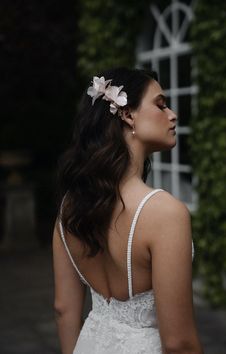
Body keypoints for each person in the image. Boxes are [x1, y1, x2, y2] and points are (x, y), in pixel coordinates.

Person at [53, 67, 204, 354]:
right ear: (127, 114)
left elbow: (63, 309)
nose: (172, 114)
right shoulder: (165, 213)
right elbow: (179, 343)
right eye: (160, 104)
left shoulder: (69, 208)